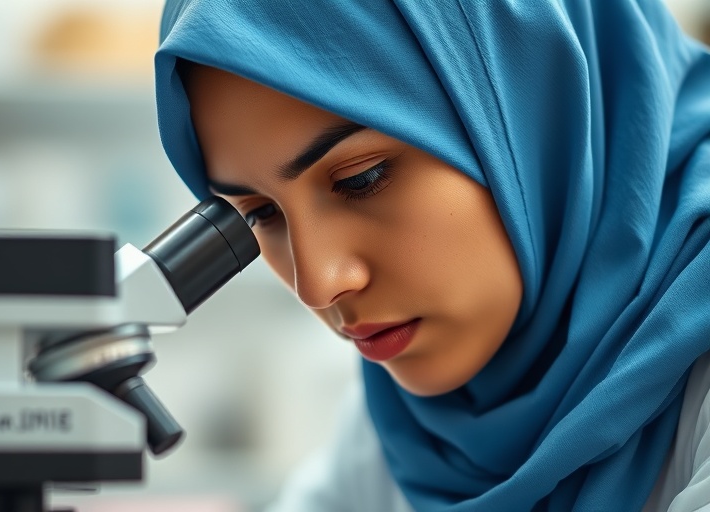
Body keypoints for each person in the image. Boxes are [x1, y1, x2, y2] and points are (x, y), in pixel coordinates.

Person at [153, 1, 710, 511]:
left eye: (361, 178)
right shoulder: (410, 431)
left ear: (532, 97)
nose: (318, 285)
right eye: (261, 215)